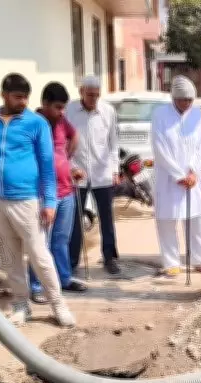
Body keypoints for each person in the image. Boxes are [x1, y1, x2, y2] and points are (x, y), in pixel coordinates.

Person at [0, 73, 75, 327]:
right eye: (18, 97)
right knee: (9, 258)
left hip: (27, 201)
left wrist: (49, 202)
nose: (23, 102)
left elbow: (47, 166)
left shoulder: (36, 124)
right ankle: (21, 305)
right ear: (4, 95)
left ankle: (58, 304)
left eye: (26, 97)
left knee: (39, 256)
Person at [151, 76, 201, 277]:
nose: (187, 104)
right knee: (167, 220)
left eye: (190, 100)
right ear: (174, 98)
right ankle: (171, 263)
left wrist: (193, 171)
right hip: (169, 177)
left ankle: (200, 260)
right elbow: (159, 148)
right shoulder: (160, 115)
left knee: (196, 219)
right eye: (183, 100)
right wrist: (178, 175)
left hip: (192, 178)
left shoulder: (197, 115)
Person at [27, 82, 88, 305]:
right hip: (42, 195)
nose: (62, 112)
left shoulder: (62, 122)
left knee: (61, 240)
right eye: (58, 107)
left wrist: (68, 164)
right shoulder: (32, 124)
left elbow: (75, 136)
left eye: (64, 108)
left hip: (66, 191)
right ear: (44, 103)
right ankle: (36, 285)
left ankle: (63, 278)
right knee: (40, 243)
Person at [65, 75, 121, 275]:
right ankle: (72, 261)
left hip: (102, 171)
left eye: (97, 95)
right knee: (75, 220)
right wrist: (70, 167)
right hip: (77, 174)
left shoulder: (108, 111)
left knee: (107, 218)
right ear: (81, 92)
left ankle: (110, 258)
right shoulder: (69, 110)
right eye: (90, 95)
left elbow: (113, 143)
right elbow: (63, 142)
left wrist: (115, 170)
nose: (93, 99)